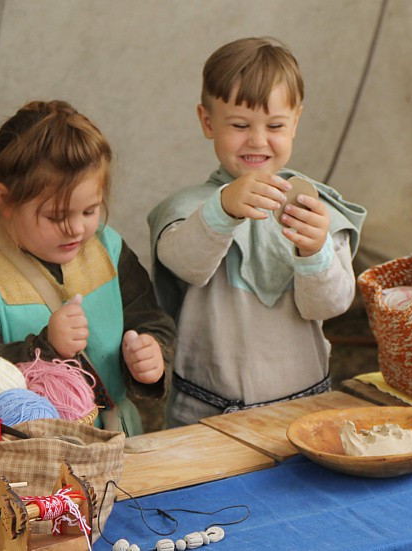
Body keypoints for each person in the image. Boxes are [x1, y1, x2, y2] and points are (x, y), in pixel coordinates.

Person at [148, 37, 366, 427]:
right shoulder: (189, 209)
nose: (258, 140)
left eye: (276, 125)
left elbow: (329, 305)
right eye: (239, 124)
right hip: (206, 415)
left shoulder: (317, 212)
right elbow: (185, 264)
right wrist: (222, 209)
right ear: (207, 121)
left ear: (296, 121)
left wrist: (314, 250)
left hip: (303, 411)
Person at [0, 100, 175, 436]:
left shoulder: (107, 247)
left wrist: (151, 355)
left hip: (119, 439)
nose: (76, 229)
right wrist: (42, 348)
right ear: (5, 199)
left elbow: (149, 318)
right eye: (57, 217)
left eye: (89, 211)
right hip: (26, 457)